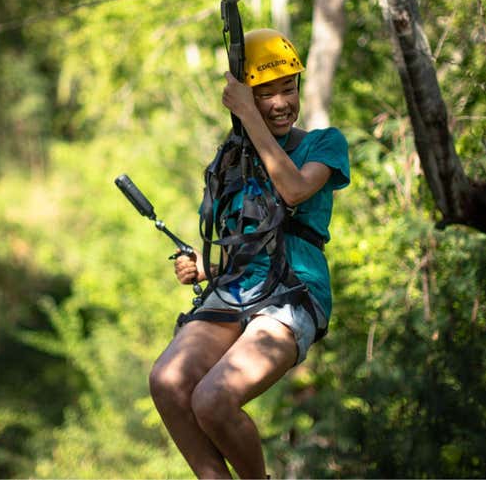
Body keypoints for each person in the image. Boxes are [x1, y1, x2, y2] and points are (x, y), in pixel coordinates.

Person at [149, 28, 350, 479]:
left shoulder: (324, 144)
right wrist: (206, 268)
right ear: (245, 98)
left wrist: (247, 113)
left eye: (289, 89)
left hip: (293, 292)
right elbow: (248, 244)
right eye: (265, 94)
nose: (281, 103)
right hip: (239, 288)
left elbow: (293, 190)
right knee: (167, 382)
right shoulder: (232, 161)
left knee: (213, 399)